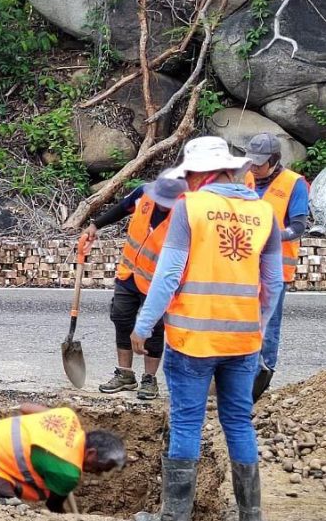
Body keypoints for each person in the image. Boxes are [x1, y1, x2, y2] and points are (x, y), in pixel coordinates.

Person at [132, 136, 282, 521]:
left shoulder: (191, 208)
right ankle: (251, 515)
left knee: (186, 422)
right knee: (237, 421)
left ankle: (174, 516)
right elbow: (274, 285)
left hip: (192, 340)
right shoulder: (264, 213)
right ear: (232, 169)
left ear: (198, 174)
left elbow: (167, 276)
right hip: (243, 340)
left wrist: (144, 325)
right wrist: (259, 329)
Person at [82, 174, 188, 399]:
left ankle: (149, 379)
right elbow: (122, 207)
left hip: (157, 283)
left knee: (154, 328)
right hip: (128, 273)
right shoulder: (144, 193)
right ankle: (125, 374)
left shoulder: (185, 212)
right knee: (121, 317)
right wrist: (95, 224)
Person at [0, 404, 126, 513]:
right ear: (91, 453)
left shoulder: (68, 417)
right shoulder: (68, 473)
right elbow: (53, 507)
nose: (98, 474)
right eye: (101, 468)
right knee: (8, 513)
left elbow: (27, 407)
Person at [243, 133, 308, 400]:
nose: (254, 168)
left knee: (268, 324)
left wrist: (267, 235)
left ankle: (263, 375)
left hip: (275, 269)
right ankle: (241, 374)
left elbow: (298, 227)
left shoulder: (294, 184)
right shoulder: (245, 178)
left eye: (259, 164)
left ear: (274, 160)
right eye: (251, 163)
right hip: (244, 265)